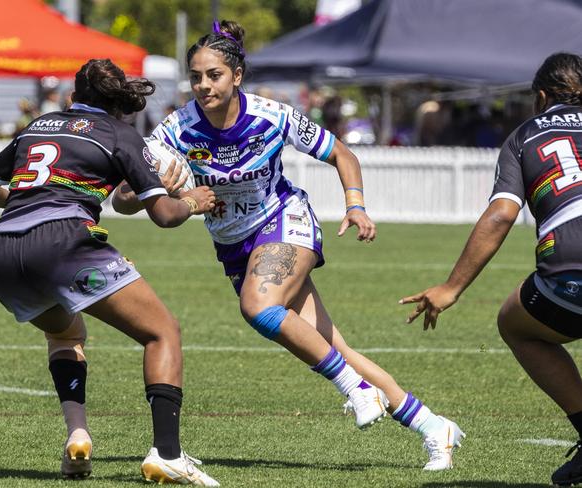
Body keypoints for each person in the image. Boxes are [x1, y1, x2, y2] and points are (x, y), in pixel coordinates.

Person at [113, 20, 464, 471]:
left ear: (236, 75)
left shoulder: (271, 115)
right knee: (335, 348)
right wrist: (148, 189)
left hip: (284, 221)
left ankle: (357, 391)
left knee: (258, 307)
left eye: (214, 75)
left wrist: (355, 206)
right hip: (234, 247)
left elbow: (342, 153)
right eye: (196, 76)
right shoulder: (175, 130)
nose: (203, 85)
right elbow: (123, 199)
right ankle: (435, 428)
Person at [0, 58, 219, 486]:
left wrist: (30, 197)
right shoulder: (122, 134)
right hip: (65, 244)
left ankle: (78, 435)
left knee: (65, 334)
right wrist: (194, 200)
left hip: (5, 254)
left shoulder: (41, 125)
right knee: (162, 332)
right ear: (119, 103)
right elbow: (165, 215)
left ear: (72, 98)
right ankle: (168, 455)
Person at [400, 52, 582, 486]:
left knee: (515, 324)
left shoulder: (524, 137)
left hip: (569, 278)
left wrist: (451, 287)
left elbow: (501, 215)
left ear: (540, 97)